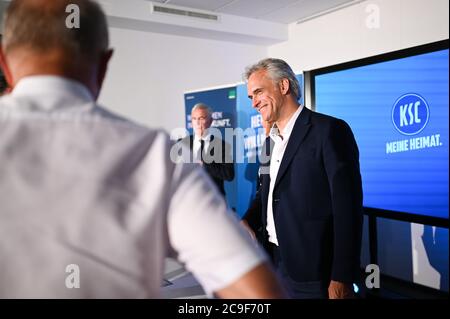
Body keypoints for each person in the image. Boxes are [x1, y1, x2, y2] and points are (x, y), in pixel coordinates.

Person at [0, 0, 286, 299]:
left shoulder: (183, 151)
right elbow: (258, 295)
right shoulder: (157, 154)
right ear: (104, 63)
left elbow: (228, 175)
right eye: (195, 119)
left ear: (3, 62)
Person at [243, 58, 363, 299]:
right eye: (250, 97)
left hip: (315, 271)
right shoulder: (269, 142)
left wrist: (341, 276)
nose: (254, 103)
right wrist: (248, 220)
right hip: (274, 262)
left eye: (258, 92)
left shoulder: (329, 131)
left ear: (284, 86)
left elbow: (347, 208)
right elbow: (266, 194)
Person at [181, 103, 234, 196]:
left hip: (214, 200)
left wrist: (204, 164)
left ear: (210, 121)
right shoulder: (182, 144)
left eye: (201, 118)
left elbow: (229, 175)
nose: (197, 123)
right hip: (189, 201)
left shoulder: (221, 145)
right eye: (194, 119)